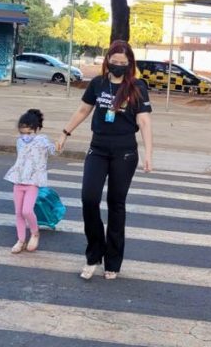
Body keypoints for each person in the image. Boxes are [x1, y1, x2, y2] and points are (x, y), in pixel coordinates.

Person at [57, 40, 153, 281]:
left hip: (125, 152)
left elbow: (144, 122)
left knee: (115, 204)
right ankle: (93, 255)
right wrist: (65, 133)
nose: (118, 66)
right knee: (89, 199)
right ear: (107, 60)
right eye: (114, 61)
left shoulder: (137, 87)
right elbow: (82, 110)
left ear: (130, 64)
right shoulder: (98, 84)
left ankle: (113, 261)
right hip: (98, 148)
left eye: (123, 63)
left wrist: (149, 153)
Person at [4, 109, 57, 254]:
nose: (25, 136)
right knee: (18, 213)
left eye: (29, 133)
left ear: (37, 129)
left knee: (27, 210)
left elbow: (53, 151)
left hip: (33, 182)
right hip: (18, 180)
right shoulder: (19, 142)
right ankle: (21, 240)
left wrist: (57, 145)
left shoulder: (42, 141)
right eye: (22, 132)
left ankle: (35, 233)